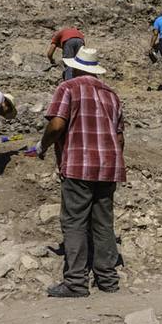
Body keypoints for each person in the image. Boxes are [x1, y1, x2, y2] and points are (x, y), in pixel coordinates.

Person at [38, 46, 125, 297]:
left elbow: (56, 125)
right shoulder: (112, 95)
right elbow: (119, 138)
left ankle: (76, 282)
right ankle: (107, 279)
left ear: (74, 67)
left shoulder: (68, 88)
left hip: (79, 164)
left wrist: (43, 145)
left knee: (74, 222)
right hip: (108, 167)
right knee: (103, 223)